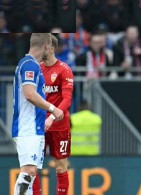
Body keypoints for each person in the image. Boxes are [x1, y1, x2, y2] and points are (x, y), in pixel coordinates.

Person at [12, 33, 64, 195]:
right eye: (51, 47)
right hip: (27, 127)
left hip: (34, 127)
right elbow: (29, 94)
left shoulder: (30, 65)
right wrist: (52, 108)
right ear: (46, 45)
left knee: (31, 174)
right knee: (28, 172)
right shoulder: (30, 65)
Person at [35, 34, 74, 195]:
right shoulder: (36, 69)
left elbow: (67, 99)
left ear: (51, 48)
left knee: (60, 167)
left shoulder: (64, 70)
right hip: (39, 125)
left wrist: (51, 117)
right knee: (33, 167)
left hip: (59, 125)